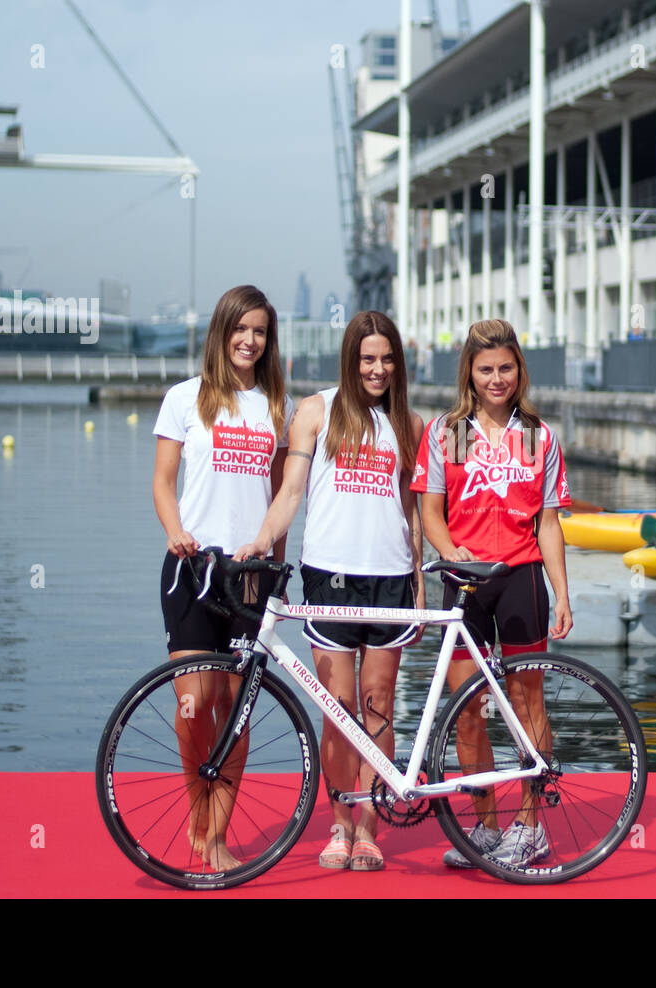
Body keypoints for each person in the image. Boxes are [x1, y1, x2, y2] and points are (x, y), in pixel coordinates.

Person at [235, 310, 424, 872]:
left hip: (389, 579)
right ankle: (339, 825)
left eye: (387, 359)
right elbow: (291, 492)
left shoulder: (409, 425)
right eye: (368, 358)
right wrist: (261, 541)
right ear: (350, 358)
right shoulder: (315, 412)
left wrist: (418, 577)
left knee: (378, 707)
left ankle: (370, 827)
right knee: (338, 710)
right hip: (330, 577)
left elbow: (410, 514)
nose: (378, 368)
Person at [409, 318, 572, 869]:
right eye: (485, 370)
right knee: (468, 709)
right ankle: (485, 825)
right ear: (470, 375)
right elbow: (429, 512)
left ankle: (529, 825)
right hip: (465, 582)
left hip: (522, 579)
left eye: (505, 368)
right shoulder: (447, 432)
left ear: (518, 370)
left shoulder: (538, 435)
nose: (496, 379)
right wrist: (449, 551)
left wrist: (562, 592)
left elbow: (548, 523)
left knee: (528, 703)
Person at [151, 284, 293, 872]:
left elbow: (284, 496)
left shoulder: (275, 408)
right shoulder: (185, 399)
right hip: (192, 568)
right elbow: (162, 482)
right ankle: (197, 808)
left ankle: (217, 838)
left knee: (235, 710)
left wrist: (277, 569)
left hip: (252, 576)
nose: (249, 340)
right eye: (241, 329)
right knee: (194, 705)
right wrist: (173, 528)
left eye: (259, 331)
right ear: (222, 331)